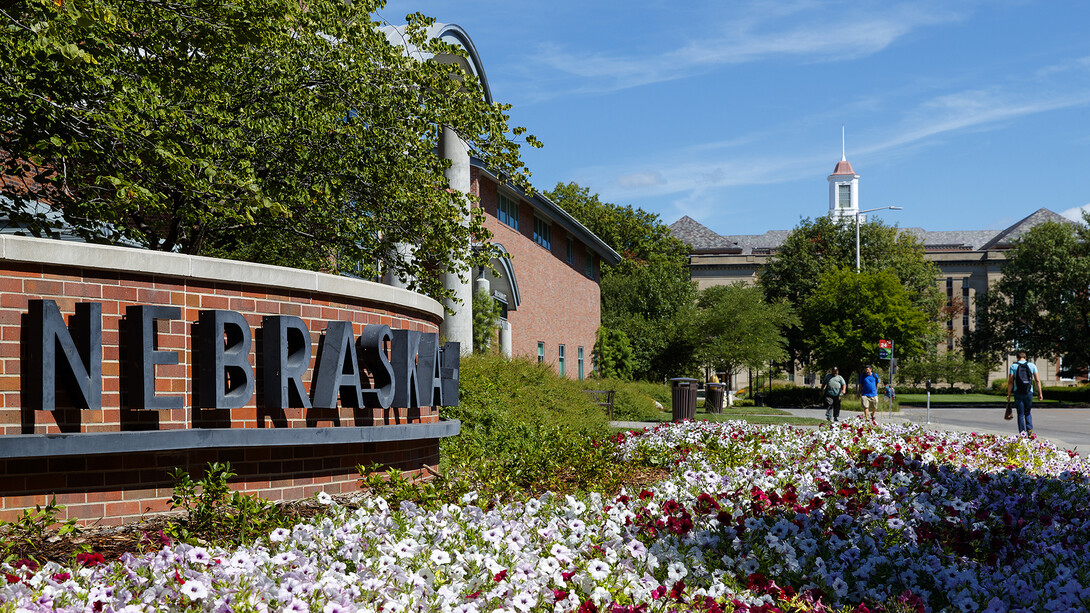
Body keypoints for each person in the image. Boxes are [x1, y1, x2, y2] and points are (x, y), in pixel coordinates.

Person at [1006, 351, 1043, 435]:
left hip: (1018, 392)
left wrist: (1008, 394)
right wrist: (1040, 393)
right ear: (1025, 357)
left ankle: (1022, 434)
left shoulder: (1013, 366)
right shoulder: (1032, 365)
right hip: (1029, 392)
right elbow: (1037, 380)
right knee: (1028, 413)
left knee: (1020, 414)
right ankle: (1030, 434)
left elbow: (1010, 382)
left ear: (1017, 358)